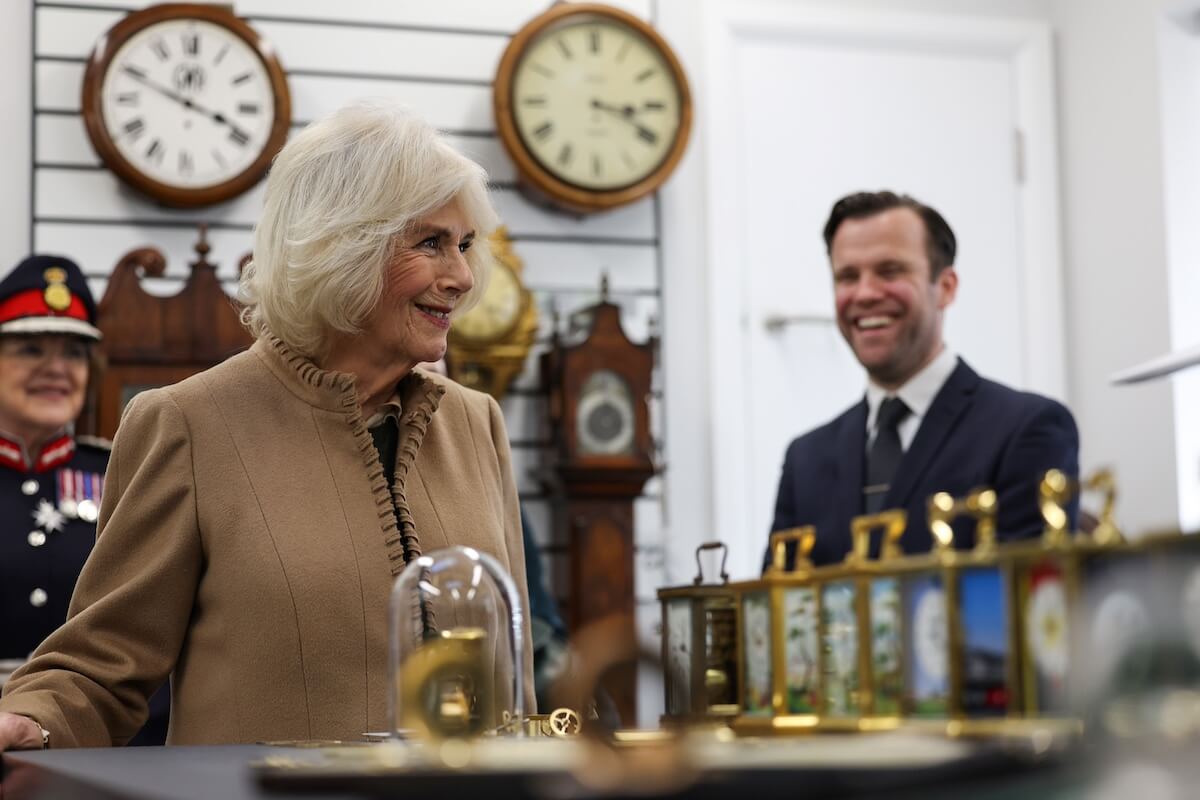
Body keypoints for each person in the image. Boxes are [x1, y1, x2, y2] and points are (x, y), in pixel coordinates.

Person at [0, 98, 533, 750]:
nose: (462, 276)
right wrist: (33, 718)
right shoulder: (188, 426)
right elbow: (102, 666)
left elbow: (516, 680)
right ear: (341, 247)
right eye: (431, 243)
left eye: (466, 245)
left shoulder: (477, 425)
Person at [765, 191, 1079, 569]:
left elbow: (1028, 601)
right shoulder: (805, 461)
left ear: (945, 287)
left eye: (890, 271)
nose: (864, 293)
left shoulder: (1027, 430)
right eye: (847, 277)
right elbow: (779, 612)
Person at [0, 255, 168, 746]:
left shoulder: (125, 473)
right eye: (31, 350)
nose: (56, 369)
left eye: (74, 354)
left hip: (104, 745)